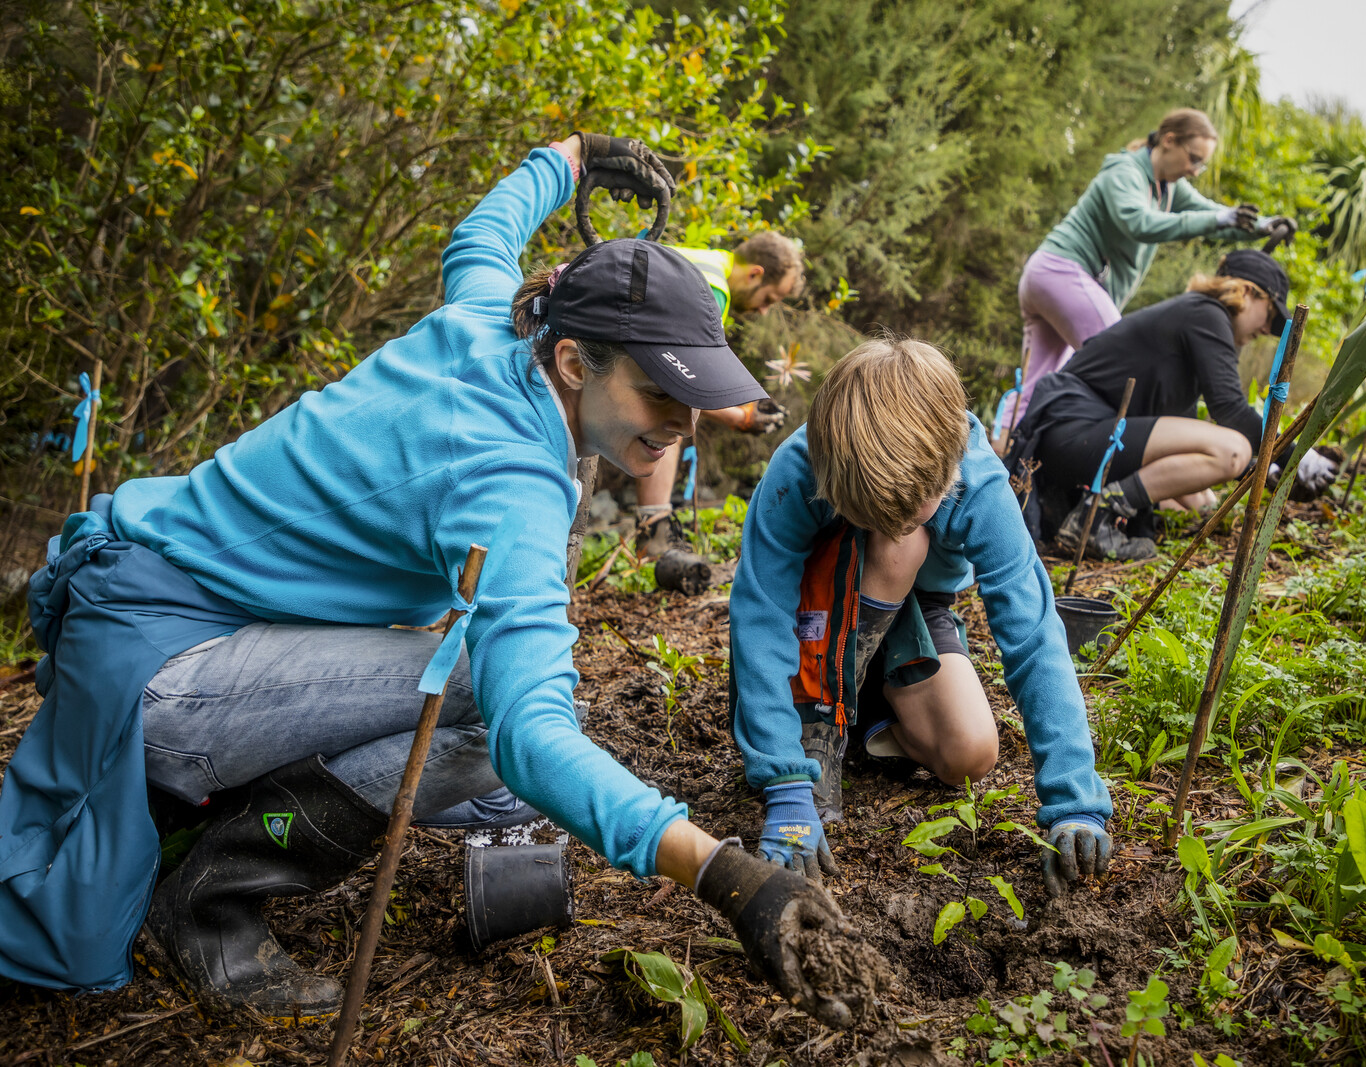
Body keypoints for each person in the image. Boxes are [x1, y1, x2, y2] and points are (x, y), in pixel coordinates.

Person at [1, 133, 864, 1027]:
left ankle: (212, 808)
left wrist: (570, 158)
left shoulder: (498, 315)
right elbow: (531, 733)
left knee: (481, 712)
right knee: (489, 712)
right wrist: (724, 873)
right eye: (660, 397)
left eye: (694, 399)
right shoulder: (510, 481)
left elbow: (483, 234)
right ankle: (209, 898)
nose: (682, 425)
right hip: (158, 665)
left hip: (150, 605)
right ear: (575, 363)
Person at [726, 338, 1114, 893]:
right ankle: (815, 720)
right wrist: (784, 783)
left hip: (911, 609)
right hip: (813, 617)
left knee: (969, 754)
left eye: (913, 509)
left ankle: (864, 715)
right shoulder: (800, 467)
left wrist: (1074, 797)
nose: (892, 518)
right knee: (897, 545)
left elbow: (1032, 635)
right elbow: (761, 613)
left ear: (948, 471)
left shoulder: (978, 485)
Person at [1006, 249, 1337, 562]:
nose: (1267, 329)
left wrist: (1266, 470)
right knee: (1231, 450)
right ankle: (1094, 518)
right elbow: (1230, 411)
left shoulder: (1195, 321)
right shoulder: (1207, 314)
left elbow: (1185, 440)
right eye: (1270, 314)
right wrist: (1295, 455)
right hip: (1073, 430)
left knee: (1200, 498)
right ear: (1247, 292)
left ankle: (1099, 512)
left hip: (1084, 438)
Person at [1009, 107, 1295, 432]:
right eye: (1194, 159)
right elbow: (1139, 223)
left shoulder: (1168, 187)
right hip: (1063, 273)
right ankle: (1132, 464)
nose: (1197, 170)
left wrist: (1262, 225)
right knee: (1128, 370)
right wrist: (1220, 218)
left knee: (1034, 385)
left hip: (1048, 275)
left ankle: (1008, 464)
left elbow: (1213, 215)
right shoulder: (1124, 171)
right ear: (1169, 141)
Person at [632, 233, 802, 558]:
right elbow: (679, 379)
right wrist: (740, 418)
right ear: (755, 273)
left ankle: (652, 533)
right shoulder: (713, 288)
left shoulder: (707, 260)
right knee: (669, 420)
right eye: (768, 299)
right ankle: (652, 539)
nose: (764, 311)